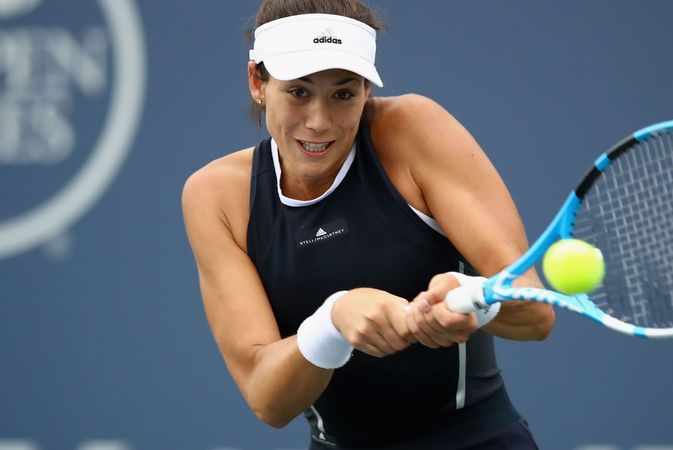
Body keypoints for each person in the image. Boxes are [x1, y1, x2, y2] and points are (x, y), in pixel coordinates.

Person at [182, 1, 555, 448]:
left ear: (365, 90)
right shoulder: (216, 195)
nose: (319, 123)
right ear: (257, 82)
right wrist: (334, 320)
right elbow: (268, 398)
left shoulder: (413, 129)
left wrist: (469, 298)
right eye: (298, 92)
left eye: (344, 93)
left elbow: (535, 312)